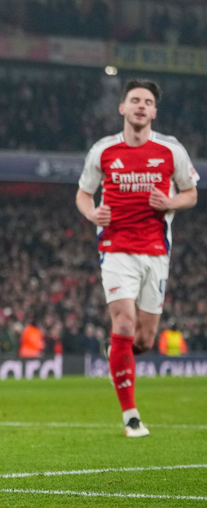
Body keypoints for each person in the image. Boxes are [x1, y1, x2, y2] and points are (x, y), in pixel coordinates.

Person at [76, 79, 198, 438]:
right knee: (124, 323)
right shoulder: (103, 150)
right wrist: (92, 214)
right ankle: (131, 415)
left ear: (154, 112)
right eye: (135, 100)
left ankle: (116, 351)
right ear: (122, 108)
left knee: (143, 340)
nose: (141, 106)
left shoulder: (171, 151)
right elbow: (83, 195)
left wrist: (170, 202)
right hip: (116, 249)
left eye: (147, 101)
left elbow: (190, 193)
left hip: (156, 251)